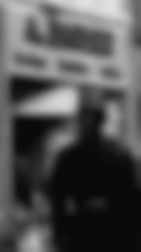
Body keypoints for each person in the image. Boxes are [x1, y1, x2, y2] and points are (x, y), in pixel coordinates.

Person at [48, 97, 141, 252]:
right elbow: (132, 201)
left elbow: (58, 203)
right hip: (113, 230)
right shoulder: (120, 154)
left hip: (82, 232)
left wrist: (59, 237)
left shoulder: (69, 157)